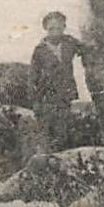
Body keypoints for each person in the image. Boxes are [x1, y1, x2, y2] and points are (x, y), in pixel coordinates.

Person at [31, 11, 88, 150]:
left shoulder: (70, 42)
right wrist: (35, 101)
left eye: (59, 28)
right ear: (46, 29)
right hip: (47, 93)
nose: (55, 32)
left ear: (64, 27)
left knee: (66, 124)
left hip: (67, 91)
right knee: (50, 127)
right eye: (51, 29)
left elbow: (86, 50)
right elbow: (33, 76)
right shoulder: (40, 50)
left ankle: (64, 150)